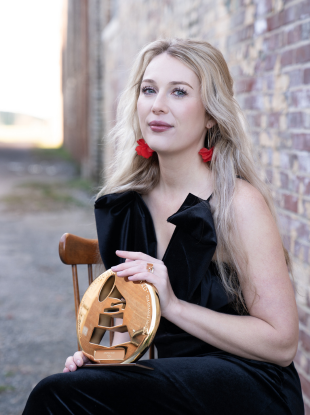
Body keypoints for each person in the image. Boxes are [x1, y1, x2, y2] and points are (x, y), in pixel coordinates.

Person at [22, 38, 304, 415]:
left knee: (54, 396)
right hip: (170, 382)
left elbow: (282, 345)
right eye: (149, 90)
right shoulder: (126, 208)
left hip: (250, 384)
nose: (158, 105)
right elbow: (130, 327)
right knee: (66, 390)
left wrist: (172, 305)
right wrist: (102, 361)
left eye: (179, 92)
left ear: (210, 115)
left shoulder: (237, 203)